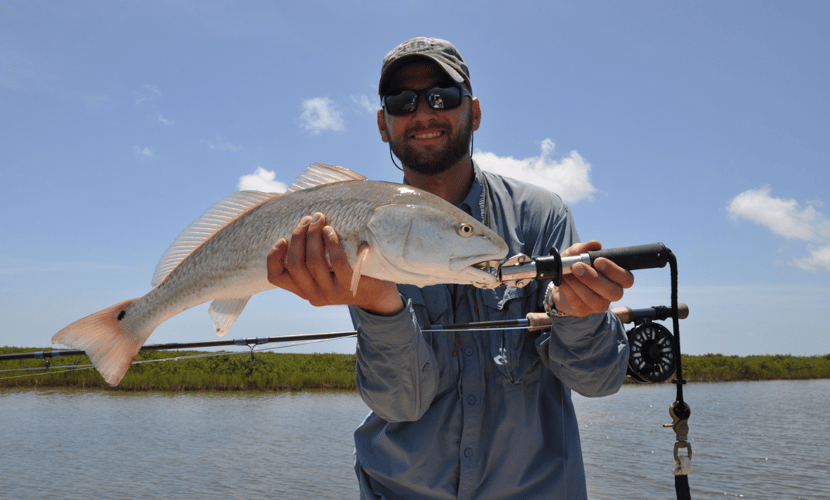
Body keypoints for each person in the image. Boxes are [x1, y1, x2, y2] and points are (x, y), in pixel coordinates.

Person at [267, 37, 634, 500]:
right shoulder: (360, 225)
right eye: (402, 101)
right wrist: (379, 305)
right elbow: (401, 401)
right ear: (383, 125)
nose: (423, 113)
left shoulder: (540, 216)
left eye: (443, 96)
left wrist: (581, 317)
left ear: (474, 112)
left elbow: (598, 380)